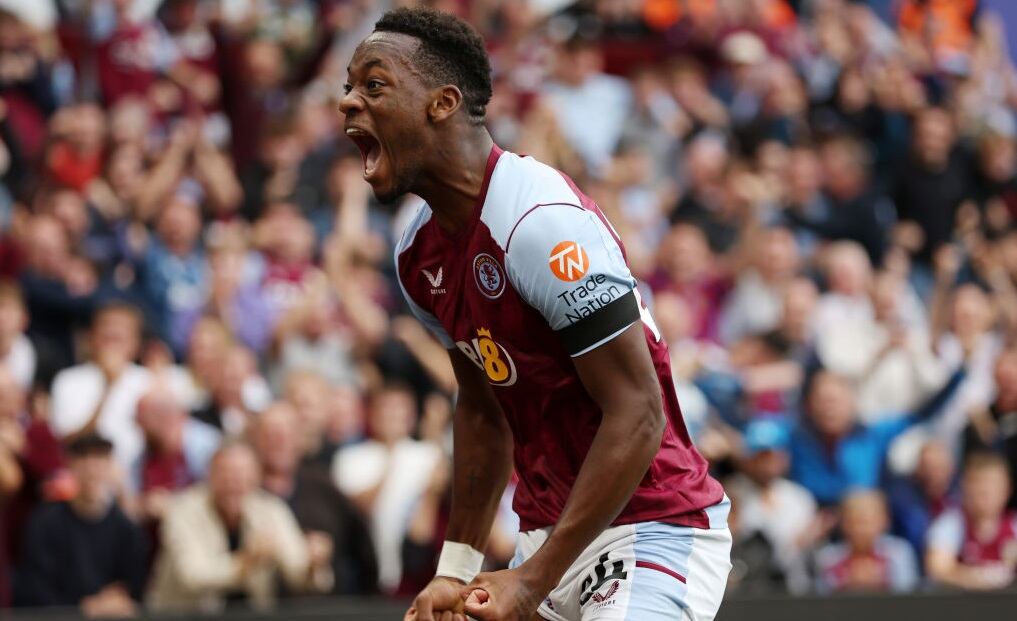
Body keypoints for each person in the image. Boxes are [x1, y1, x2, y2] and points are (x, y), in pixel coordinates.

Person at [340, 9, 729, 621]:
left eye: (373, 85)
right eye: (348, 86)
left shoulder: (538, 221)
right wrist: (457, 571)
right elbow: (481, 408)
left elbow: (638, 412)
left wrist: (530, 581)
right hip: (546, 542)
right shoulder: (415, 253)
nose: (348, 103)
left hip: (652, 525)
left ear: (441, 102)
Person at [148, 442, 333, 612]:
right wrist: (245, 562)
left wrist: (314, 562)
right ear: (209, 475)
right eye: (226, 474)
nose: (234, 483)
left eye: (243, 476)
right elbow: (192, 576)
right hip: (183, 614)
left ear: (256, 479)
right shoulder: (183, 510)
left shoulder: (269, 510)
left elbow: (297, 569)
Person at [252, 402, 378, 595]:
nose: (278, 442)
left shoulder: (324, 487)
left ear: (298, 439)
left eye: (286, 434)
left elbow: (362, 550)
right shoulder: (241, 494)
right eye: (270, 434)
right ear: (256, 439)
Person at [16, 435, 147, 616]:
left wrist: (110, 603)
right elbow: (35, 587)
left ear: (111, 465)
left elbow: (134, 588)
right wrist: (82, 608)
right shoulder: (45, 523)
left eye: (99, 459)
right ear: (70, 465)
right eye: (83, 459)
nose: (91, 469)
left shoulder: (126, 529)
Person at [49, 302, 153, 473]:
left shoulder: (149, 381)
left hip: (138, 474)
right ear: (91, 337)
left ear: (136, 342)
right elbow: (69, 442)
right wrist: (108, 387)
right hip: (83, 473)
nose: (112, 338)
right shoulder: (68, 380)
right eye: (107, 334)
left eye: (119, 336)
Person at [725, 419, 816, 593]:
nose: (767, 461)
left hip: (794, 592)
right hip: (746, 592)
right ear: (746, 458)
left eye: (774, 454)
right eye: (760, 455)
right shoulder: (729, 494)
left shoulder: (799, 498)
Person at [925, 453, 1017, 591]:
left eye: (993, 484)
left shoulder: (1014, 525)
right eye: (979, 483)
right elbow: (938, 569)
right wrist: (982, 579)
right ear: (966, 488)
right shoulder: (951, 523)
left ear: (1007, 489)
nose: (986, 491)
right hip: (960, 607)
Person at [813, 490, 919, 594]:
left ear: (885, 521)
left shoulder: (899, 552)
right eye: (854, 522)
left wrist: (881, 583)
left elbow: (908, 593)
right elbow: (821, 597)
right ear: (843, 524)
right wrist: (847, 584)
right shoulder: (828, 558)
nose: (861, 529)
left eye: (867, 522)